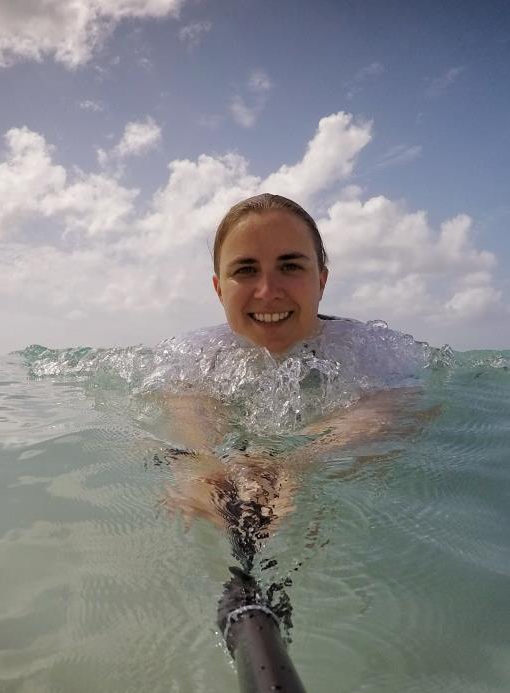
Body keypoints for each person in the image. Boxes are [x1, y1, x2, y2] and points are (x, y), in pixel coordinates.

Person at [158, 194, 432, 556]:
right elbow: (188, 401)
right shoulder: (198, 353)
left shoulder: (367, 348)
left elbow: (389, 407)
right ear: (219, 288)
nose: (268, 292)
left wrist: (296, 465)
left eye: (289, 266)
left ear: (321, 280)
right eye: (246, 270)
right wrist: (203, 466)